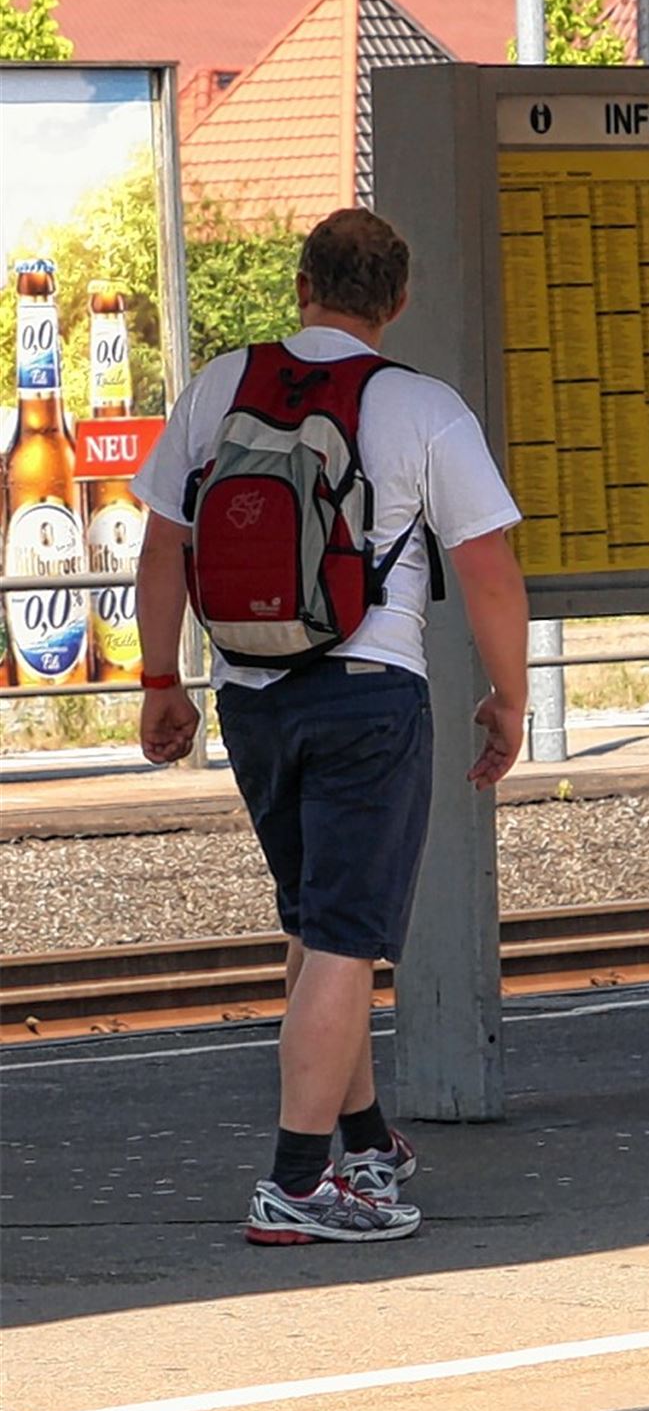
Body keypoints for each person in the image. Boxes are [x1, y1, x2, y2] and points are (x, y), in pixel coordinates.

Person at [133, 206, 528, 1245]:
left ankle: (363, 1144)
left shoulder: (221, 384)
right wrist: (510, 696)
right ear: (397, 300)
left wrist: (159, 679)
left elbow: (164, 546)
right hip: (367, 692)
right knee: (348, 939)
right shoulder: (421, 407)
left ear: (302, 284)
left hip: (251, 693)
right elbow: (488, 571)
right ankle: (297, 1183)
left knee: (318, 928)